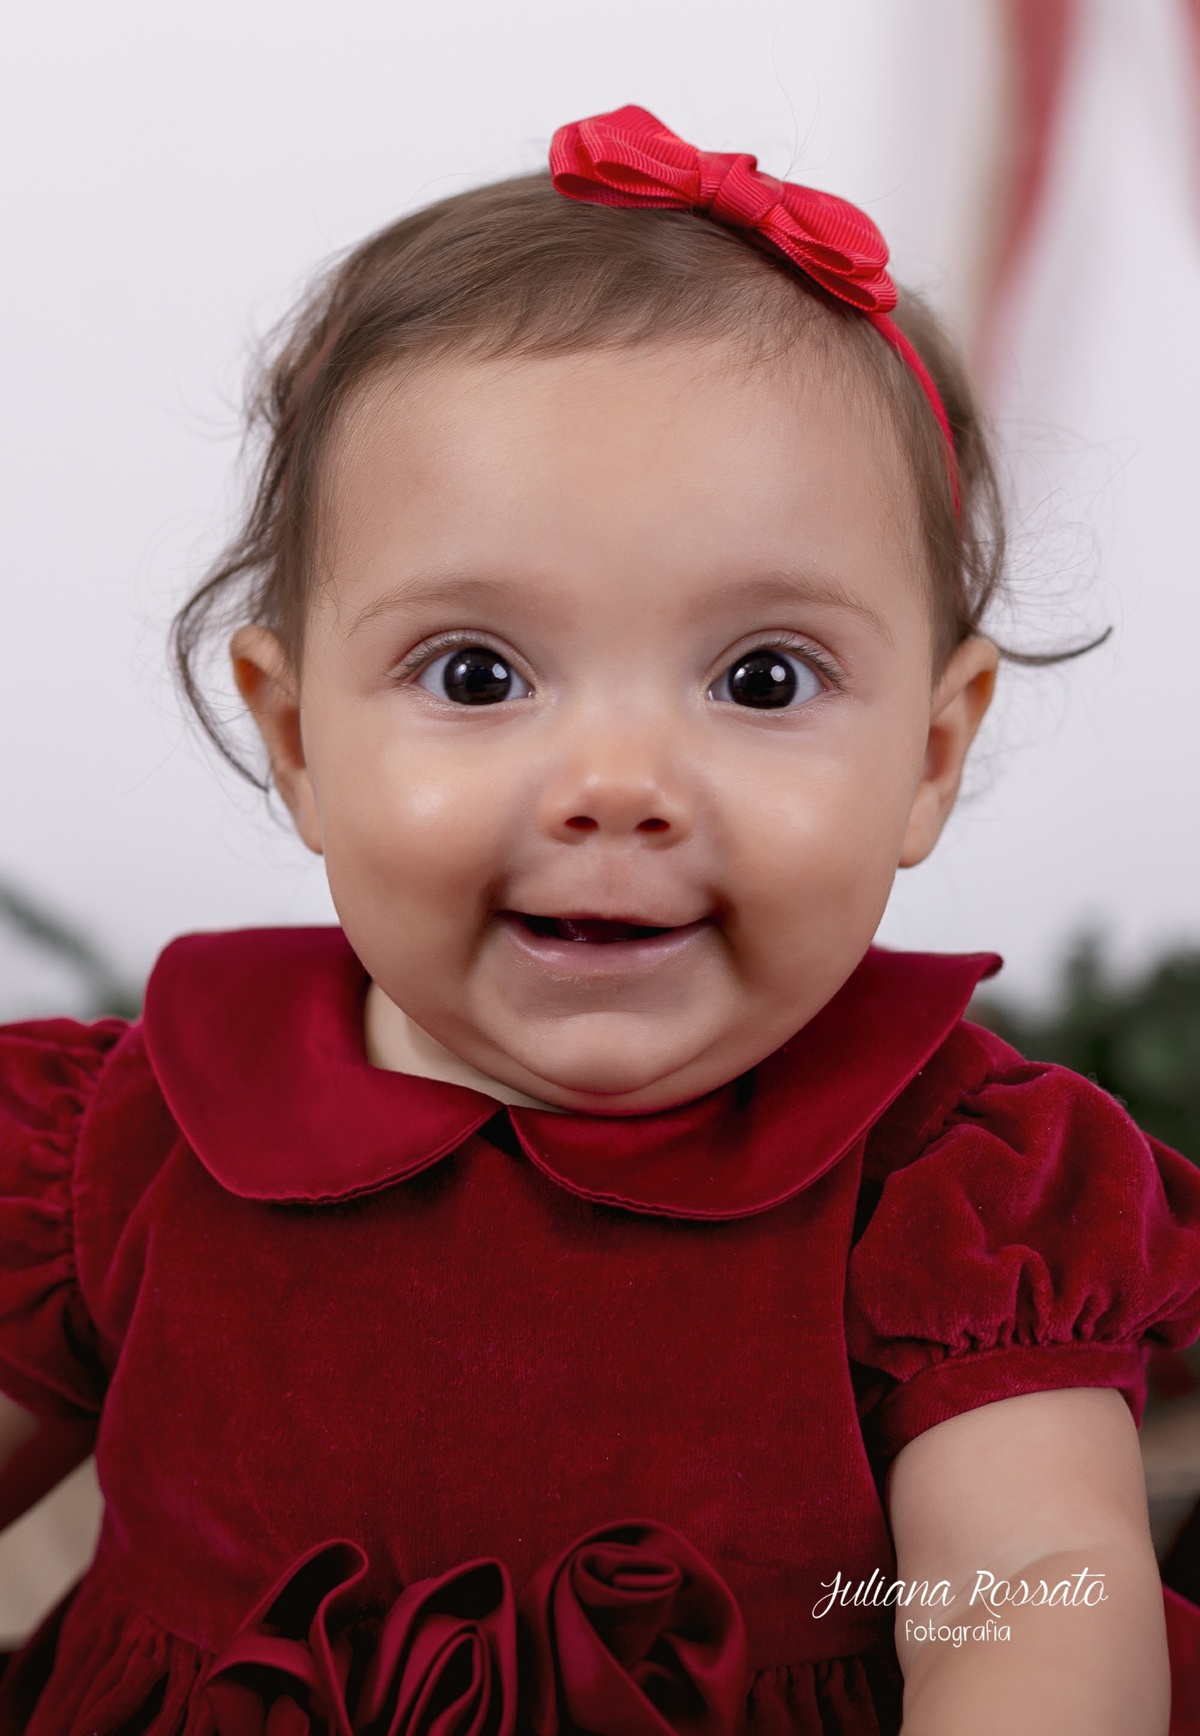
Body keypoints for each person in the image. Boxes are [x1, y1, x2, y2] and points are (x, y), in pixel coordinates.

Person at [0, 104, 1198, 1736]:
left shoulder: (955, 1204)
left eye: (761, 678)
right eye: (477, 674)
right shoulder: (137, 1140)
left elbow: (1029, 1605)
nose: (618, 786)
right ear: (297, 740)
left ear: (931, 750)